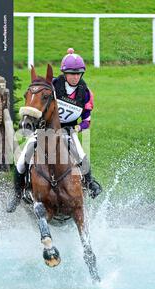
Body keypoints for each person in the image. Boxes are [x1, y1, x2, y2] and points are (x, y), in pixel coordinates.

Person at [6, 48, 102, 213]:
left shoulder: (85, 94)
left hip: (69, 130)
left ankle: (90, 183)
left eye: (78, 73)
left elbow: (87, 119)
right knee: (22, 160)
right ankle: (17, 194)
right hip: (45, 129)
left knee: (82, 156)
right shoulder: (54, 86)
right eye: (71, 73)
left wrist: (78, 127)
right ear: (64, 73)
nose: (75, 77)